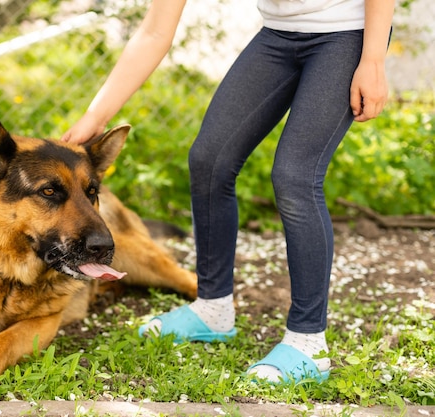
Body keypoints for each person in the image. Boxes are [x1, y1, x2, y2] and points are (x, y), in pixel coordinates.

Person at [62, 0, 394, 383]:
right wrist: (95, 117)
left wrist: (373, 58)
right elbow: (154, 32)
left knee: (295, 176)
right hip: (279, 35)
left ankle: (308, 343)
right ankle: (213, 308)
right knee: (209, 160)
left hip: (346, 34)